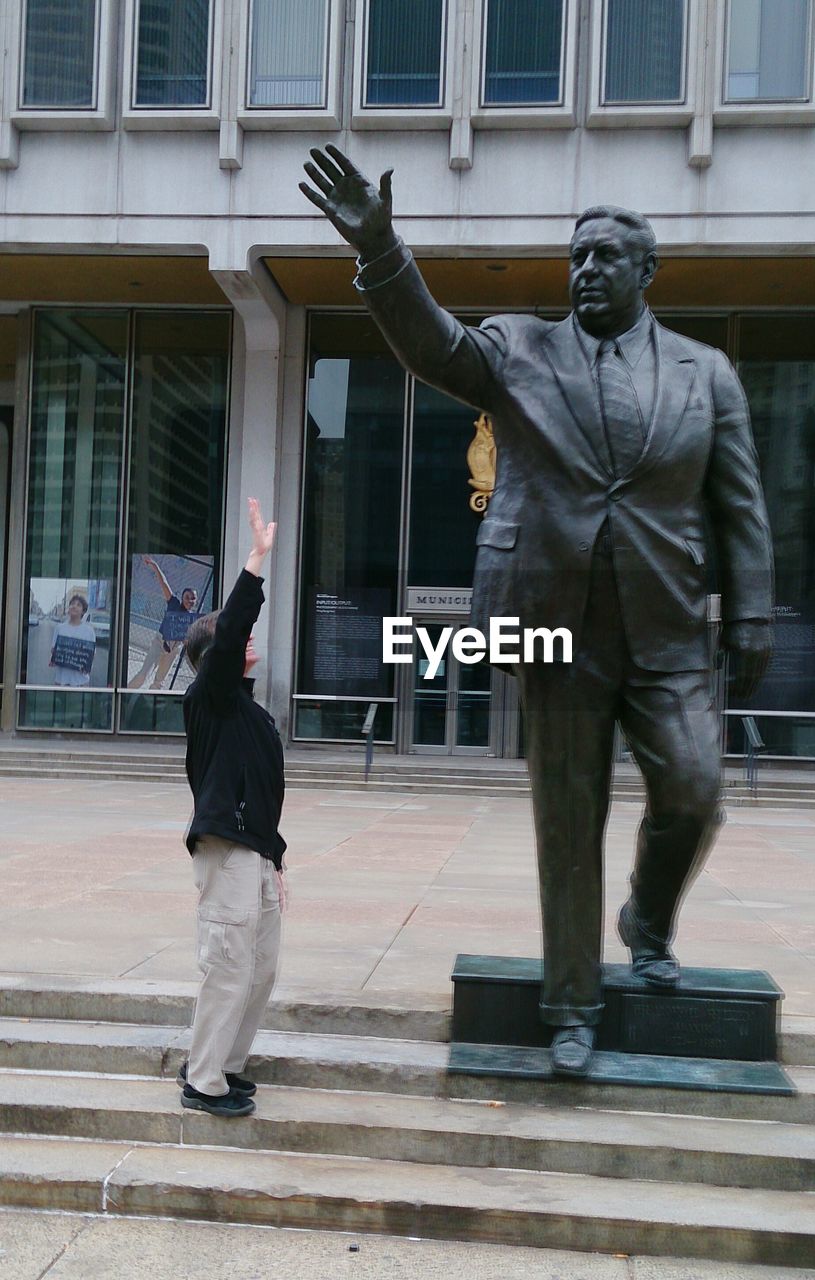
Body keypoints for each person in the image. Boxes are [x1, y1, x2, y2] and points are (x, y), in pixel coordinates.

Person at [300, 146, 775, 1076]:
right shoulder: (521, 348)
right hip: (554, 620)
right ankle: (570, 1002)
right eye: (577, 256)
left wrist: (751, 611)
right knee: (567, 813)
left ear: (647, 272)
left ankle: (646, 914)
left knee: (694, 789)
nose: (587, 269)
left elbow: (741, 503)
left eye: (606, 256)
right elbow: (432, 343)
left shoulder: (705, 373)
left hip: (669, 619)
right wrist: (381, 249)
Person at [179, 498, 285, 1117]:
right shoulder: (209, 698)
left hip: (255, 852)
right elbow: (228, 639)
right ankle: (202, 1081)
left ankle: (227, 1065)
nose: (248, 642)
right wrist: (255, 561)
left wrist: (278, 861)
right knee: (227, 965)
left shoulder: (251, 714)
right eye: (236, 637)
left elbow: (264, 797)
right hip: (224, 851)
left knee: (261, 967)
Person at [129, 558, 199, 690]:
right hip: (160, 643)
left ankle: (151, 704)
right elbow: (164, 583)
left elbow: (190, 640)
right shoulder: (174, 604)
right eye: (187, 597)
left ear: (196, 600)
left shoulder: (193, 619)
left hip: (174, 650)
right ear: (182, 597)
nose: (190, 600)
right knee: (143, 676)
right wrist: (155, 566)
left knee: (159, 683)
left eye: (193, 598)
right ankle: (125, 694)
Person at [49, 594, 97, 687]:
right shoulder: (59, 628)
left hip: (81, 681)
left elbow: (92, 654)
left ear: (83, 611)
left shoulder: (89, 631)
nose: (74, 606)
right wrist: (55, 658)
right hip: (61, 679)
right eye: (72, 604)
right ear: (69, 608)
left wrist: (86, 666)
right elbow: (53, 648)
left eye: (78, 605)